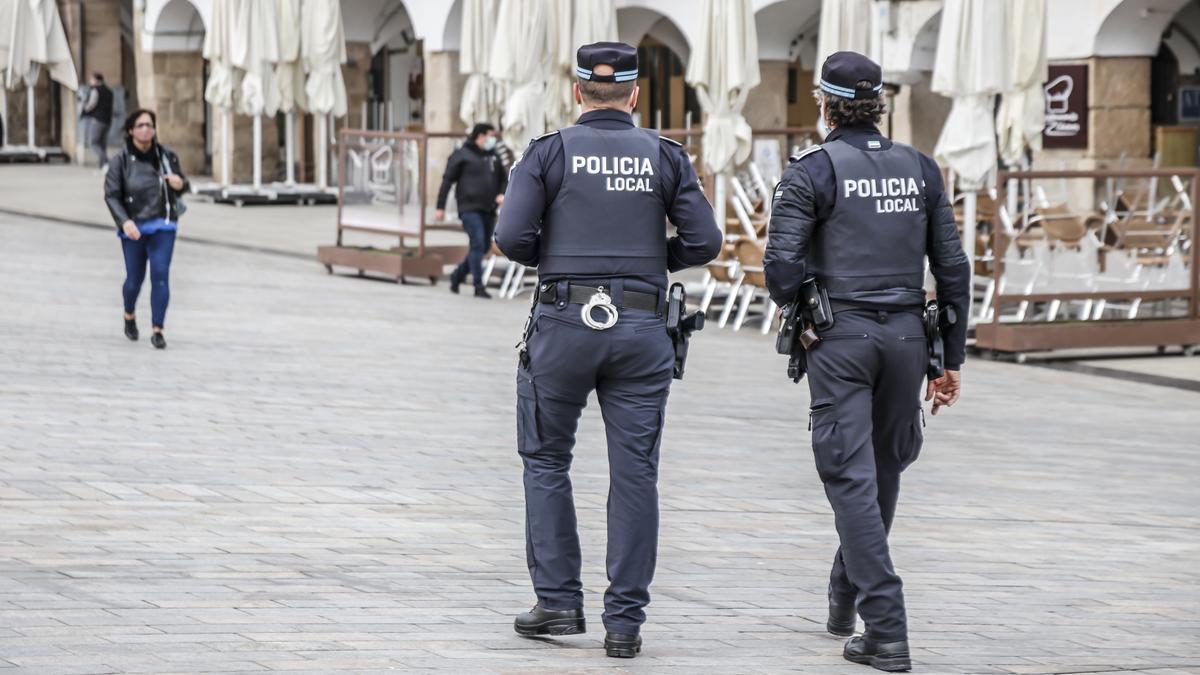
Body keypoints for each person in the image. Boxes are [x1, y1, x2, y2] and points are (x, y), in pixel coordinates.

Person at [495, 42, 721, 659]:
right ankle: (624, 623)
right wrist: (651, 263)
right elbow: (704, 242)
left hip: (564, 321)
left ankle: (559, 602)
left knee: (546, 460)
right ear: (634, 94)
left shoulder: (547, 153)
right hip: (642, 326)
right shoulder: (665, 156)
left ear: (576, 92)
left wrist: (563, 261)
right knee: (635, 472)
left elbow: (511, 235)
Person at [763, 51, 970, 673]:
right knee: (883, 466)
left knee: (849, 472)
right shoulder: (920, 167)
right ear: (880, 104)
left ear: (823, 104)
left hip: (839, 336)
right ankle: (843, 594)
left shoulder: (811, 170)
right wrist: (950, 359)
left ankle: (886, 624)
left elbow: (779, 269)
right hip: (909, 336)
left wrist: (803, 306)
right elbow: (953, 268)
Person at [104, 109, 189, 350]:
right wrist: (124, 222)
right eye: (140, 125)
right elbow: (111, 195)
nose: (146, 129)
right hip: (134, 227)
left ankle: (157, 329)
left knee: (160, 275)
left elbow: (183, 184)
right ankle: (129, 314)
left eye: (149, 125)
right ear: (130, 130)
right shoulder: (119, 162)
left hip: (163, 224)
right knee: (134, 280)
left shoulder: (166, 156)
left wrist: (179, 183)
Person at [434, 122, 507, 298]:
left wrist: (502, 193)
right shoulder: (461, 155)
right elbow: (447, 181)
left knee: (481, 248)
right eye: (490, 136)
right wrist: (440, 206)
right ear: (480, 136)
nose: (493, 140)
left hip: (489, 208)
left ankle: (457, 275)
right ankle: (478, 285)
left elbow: (504, 179)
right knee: (478, 243)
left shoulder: (494, 157)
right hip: (469, 207)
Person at [81, 73, 114, 170]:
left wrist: (84, 109)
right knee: (102, 144)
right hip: (107, 120)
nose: (90, 82)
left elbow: (92, 104)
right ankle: (103, 165)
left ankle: (107, 161)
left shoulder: (95, 90)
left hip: (98, 119)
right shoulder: (109, 91)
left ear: (96, 80)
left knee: (94, 142)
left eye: (91, 80)